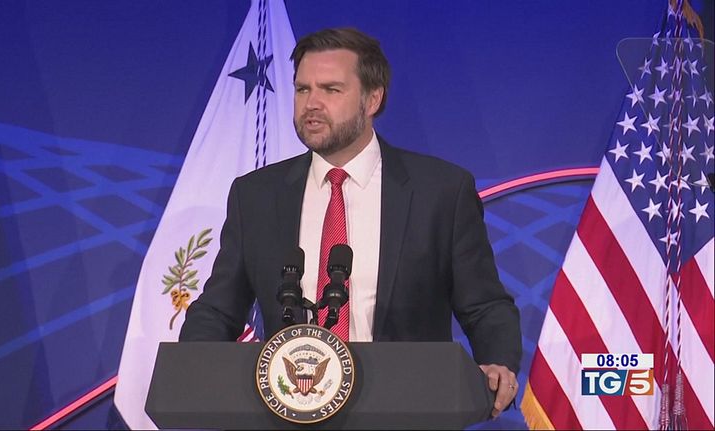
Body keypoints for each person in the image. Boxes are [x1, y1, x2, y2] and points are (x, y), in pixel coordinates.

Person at [180, 27, 522, 417]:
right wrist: (193, 365)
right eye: (302, 89)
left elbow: (484, 304)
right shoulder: (256, 195)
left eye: (331, 89)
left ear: (372, 99)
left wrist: (498, 362)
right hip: (289, 412)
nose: (311, 103)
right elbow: (220, 308)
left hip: (406, 412)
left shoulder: (441, 191)